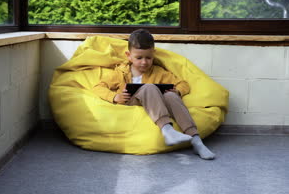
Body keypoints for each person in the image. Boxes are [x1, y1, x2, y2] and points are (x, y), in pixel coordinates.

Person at [92, 29, 215, 160]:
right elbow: (98, 87)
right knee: (149, 87)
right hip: (130, 101)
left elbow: (182, 83)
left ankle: (196, 140)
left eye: (148, 57)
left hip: (154, 103)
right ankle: (167, 130)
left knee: (171, 96)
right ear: (129, 55)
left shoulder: (159, 72)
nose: (144, 62)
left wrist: (178, 91)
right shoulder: (120, 72)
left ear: (153, 54)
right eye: (139, 58)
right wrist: (114, 97)